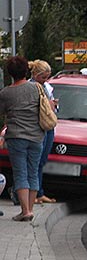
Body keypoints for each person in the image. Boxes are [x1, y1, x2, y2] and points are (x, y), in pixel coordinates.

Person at [0, 56, 45, 221]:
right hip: (36, 136)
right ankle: (30, 209)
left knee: (20, 173)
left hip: (16, 137)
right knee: (33, 172)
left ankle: (25, 211)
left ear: (10, 73)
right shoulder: (36, 88)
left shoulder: (5, 93)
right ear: (26, 70)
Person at [29, 60, 58, 204]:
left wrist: (53, 106)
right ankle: (33, 193)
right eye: (43, 77)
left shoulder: (47, 87)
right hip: (37, 126)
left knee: (42, 161)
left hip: (48, 126)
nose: (45, 80)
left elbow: (52, 107)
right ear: (34, 75)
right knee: (35, 161)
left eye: (47, 77)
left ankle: (39, 192)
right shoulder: (30, 87)